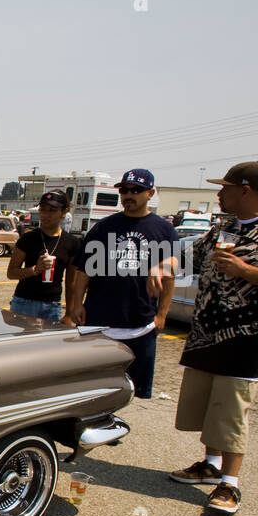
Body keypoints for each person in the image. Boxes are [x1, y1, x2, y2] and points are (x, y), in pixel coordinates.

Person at [168, 161, 258, 516]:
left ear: (246, 190)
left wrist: (247, 271)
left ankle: (230, 484)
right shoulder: (226, 226)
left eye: (225, 188)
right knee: (207, 407)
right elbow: (192, 258)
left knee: (232, 413)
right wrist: (161, 268)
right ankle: (211, 464)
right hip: (205, 337)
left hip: (249, 340)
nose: (219, 194)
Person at [66, 168, 179, 399]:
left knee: (132, 390)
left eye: (136, 190)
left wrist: (162, 314)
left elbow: (172, 271)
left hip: (140, 325)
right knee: (93, 388)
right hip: (99, 324)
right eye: (125, 190)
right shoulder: (103, 227)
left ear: (151, 193)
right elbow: (84, 270)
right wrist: (76, 304)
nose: (129, 195)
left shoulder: (164, 229)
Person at [6, 191, 80, 322]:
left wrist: (69, 313)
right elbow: (11, 272)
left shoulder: (71, 242)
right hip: (24, 303)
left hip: (52, 306)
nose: (46, 215)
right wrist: (34, 270)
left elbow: (71, 282)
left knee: (48, 342)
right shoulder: (28, 239)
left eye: (52, 210)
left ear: (64, 212)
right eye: (43, 210)